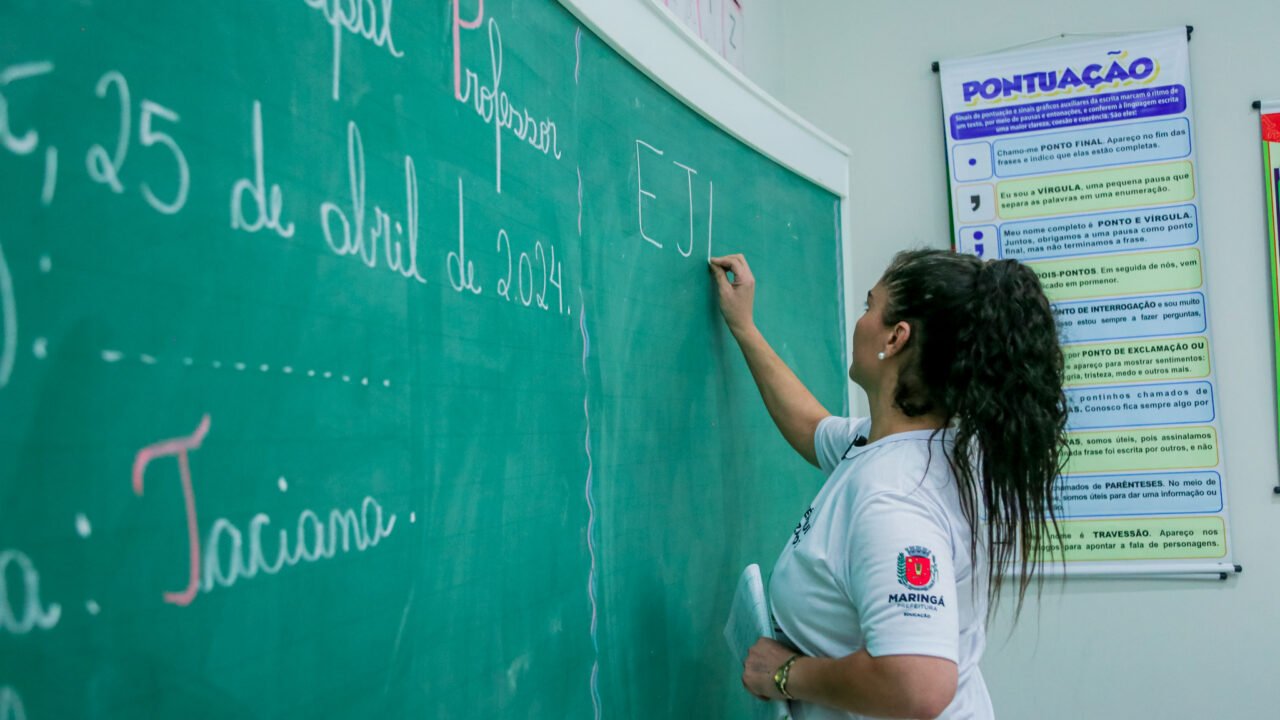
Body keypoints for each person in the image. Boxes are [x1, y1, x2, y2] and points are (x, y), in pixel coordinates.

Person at [708, 249, 1068, 720]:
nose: (860, 321)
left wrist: (786, 674)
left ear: (896, 338)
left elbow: (916, 684)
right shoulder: (908, 447)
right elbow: (810, 426)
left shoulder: (894, 499)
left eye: (869, 306)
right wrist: (745, 328)